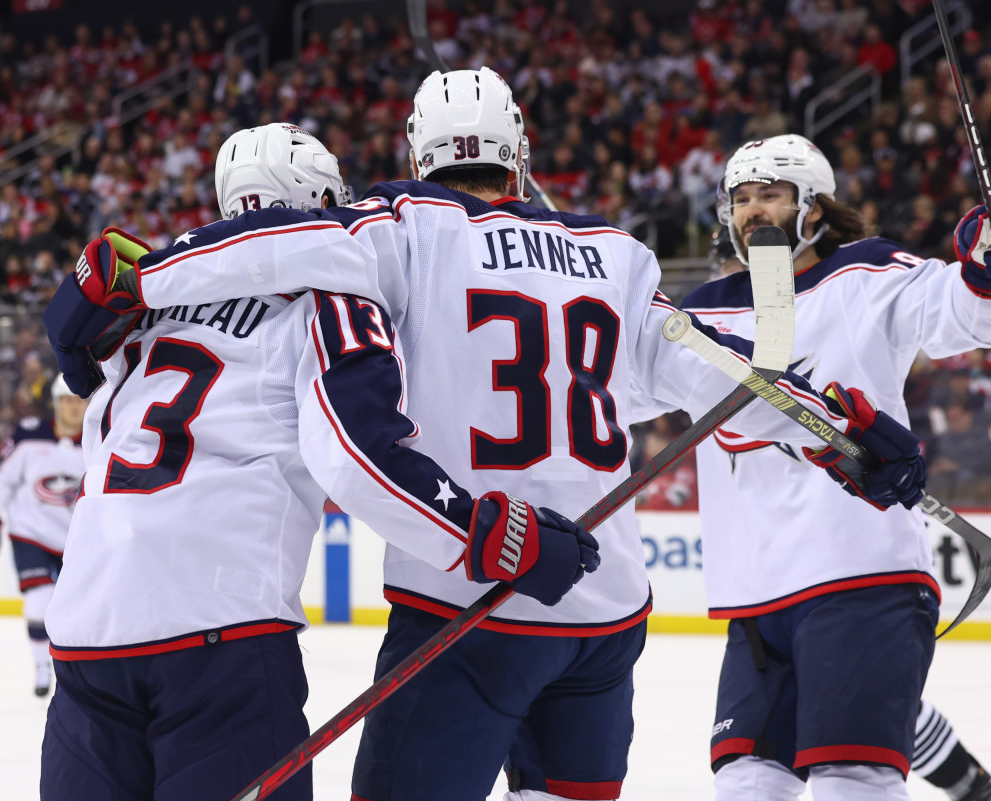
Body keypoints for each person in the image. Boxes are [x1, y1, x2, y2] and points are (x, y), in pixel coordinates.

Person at [46, 73, 927, 801]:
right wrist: (837, 429)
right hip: (603, 606)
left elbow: (277, 246)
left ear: (418, 156)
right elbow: (712, 370)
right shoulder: (617, 253)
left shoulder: (396, 226)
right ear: (520, 157)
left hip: (470, 605)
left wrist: (140, 273)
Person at [37, 123, 599, 801]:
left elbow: (74, 364)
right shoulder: (330, 298)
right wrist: (505, 537)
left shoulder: (147, 308)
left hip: (85, 635)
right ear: (321, 198)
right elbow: (359, 458)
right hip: (219, 638)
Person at [679, 134, 991, 801]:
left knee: (853, 781)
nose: (753, 211)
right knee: (745, 786)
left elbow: (971, 317)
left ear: (813, 207)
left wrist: (989, 270)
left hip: (859, 571)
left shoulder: (867, 274)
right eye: (742, 198)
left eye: (772, 195)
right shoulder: (700, 310)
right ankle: (974, 786)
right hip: (758, 595)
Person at [0, 376, 88, 696]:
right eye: (66, 401)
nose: (73, 407)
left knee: (79, 609)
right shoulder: (29, 436)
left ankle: (73, 671)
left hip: (76, 538)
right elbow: (2, 479)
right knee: (39, 603)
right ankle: (42, 667)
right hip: (30, 533)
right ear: (56, 404)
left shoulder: (100, 438)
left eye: (79, 400)